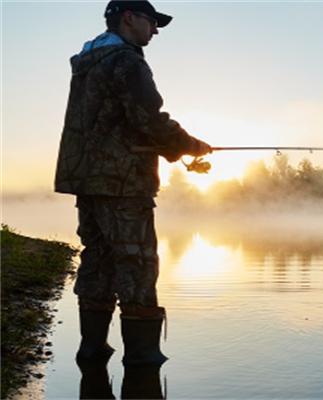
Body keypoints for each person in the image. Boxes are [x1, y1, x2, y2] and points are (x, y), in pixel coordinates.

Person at [54, 0, 211, 366]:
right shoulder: (126, 60)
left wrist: (177, 152)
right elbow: (148, 120)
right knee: (137, 263)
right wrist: (190, 145)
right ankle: (143, 359)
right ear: (128, 18)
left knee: (98, 260)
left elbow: (113, 123)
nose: (155, 30)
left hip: (88, 180)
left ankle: (92, 350)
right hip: (123, 182)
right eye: (152, 22)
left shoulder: (87, 63)